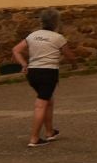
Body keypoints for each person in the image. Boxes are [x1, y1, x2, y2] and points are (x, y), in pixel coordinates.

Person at [11, 9, 67, 148]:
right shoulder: (58, 37)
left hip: (33, 73)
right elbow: (69, 54)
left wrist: (24, 64)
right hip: (48, 73)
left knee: (48, 100)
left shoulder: (33, 35)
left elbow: (16, 50)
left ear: (41, 22)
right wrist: (73, 62)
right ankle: (34, 138)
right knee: (41, 104)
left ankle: (50, 132)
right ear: (56, 22)